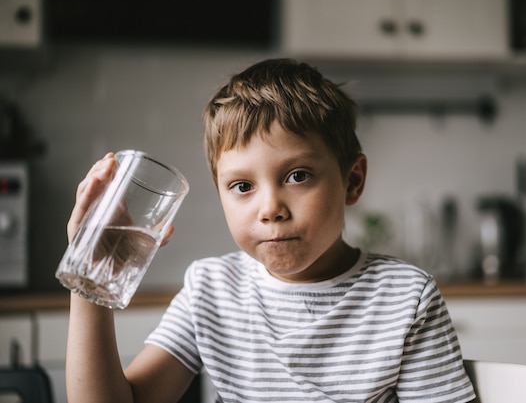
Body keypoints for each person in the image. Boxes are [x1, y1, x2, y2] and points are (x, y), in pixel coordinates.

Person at [65, 58, 476, 403]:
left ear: (352, 181)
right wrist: (90, 274)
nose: (270, 209)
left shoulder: (406, 298)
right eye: (242, 187)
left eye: (297, 176)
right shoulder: (211, 290)